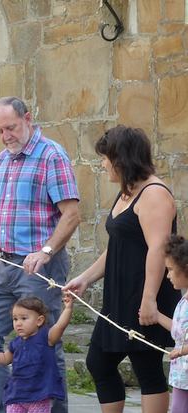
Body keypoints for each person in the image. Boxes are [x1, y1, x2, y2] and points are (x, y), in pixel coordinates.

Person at [0, 96, 80, 413]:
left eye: (11, 127)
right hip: (3, 265)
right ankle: (12, 406)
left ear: (28, 118)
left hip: (39, 269)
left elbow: (72, 214)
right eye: (0, 131)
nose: (6, 136)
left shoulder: (52, 156)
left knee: (44, 345)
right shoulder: (5, 159)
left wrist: (46, 251)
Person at [63, 126, 178, 413]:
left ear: (123, 159)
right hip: (119, 294)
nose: (101, 164)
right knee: (98, 363)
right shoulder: (126, 192)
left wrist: (149, 300)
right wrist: (84, 279)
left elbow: (158, 248)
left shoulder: (154, 194)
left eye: (105, 158)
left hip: (143, 292)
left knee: (147, 368)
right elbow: (117, 247)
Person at [0, 295, 73, 413]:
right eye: (15, 319)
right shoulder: (15, 343)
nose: (18, 323)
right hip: (17, 394)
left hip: (39, 395)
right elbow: (5, 358)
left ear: (39, 320)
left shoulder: (46, 337)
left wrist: (68, 309)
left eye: (24, 318)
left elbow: (60, 326)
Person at [157, 234, 188, 412]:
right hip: (182, 374)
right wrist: (157, 316)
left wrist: (181, 351)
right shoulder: (183, 300)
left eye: (170, 269)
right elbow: (179, 330)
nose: (167, 275)